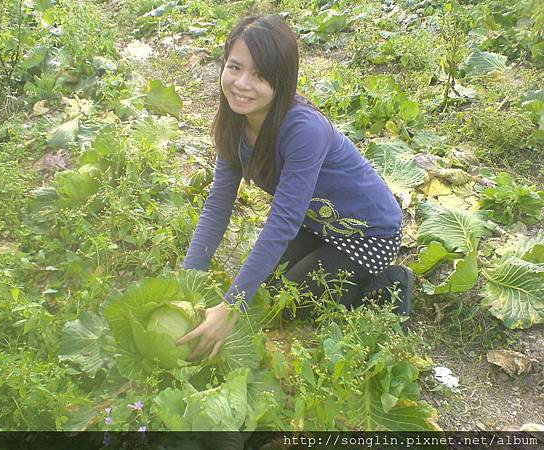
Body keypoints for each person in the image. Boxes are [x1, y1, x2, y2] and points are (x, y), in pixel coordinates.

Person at [176, 15, 413, 360]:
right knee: (267, 295)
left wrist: (230, 307)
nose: (242, 83)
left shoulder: (303, 129)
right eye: (235, 67)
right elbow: (217, 207)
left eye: (259, 75)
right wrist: (187, 279)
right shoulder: (233, 122)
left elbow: (282, 222)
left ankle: (389, 282)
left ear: (282, 80)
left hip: (369, 233)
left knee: (289, 307)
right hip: (317, 225)